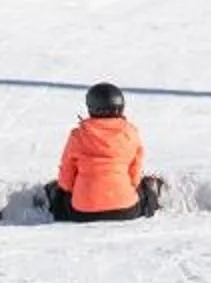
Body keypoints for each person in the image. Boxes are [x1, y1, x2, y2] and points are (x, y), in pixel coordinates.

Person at [42, 82, 165, 223]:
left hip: (82, 213)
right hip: (126, 210)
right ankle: (152, 189)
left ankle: (47, 199)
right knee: (145, 192)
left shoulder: (78, 136)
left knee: (59, 195)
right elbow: (134, 176)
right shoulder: (130, 133)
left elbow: (66, 180)